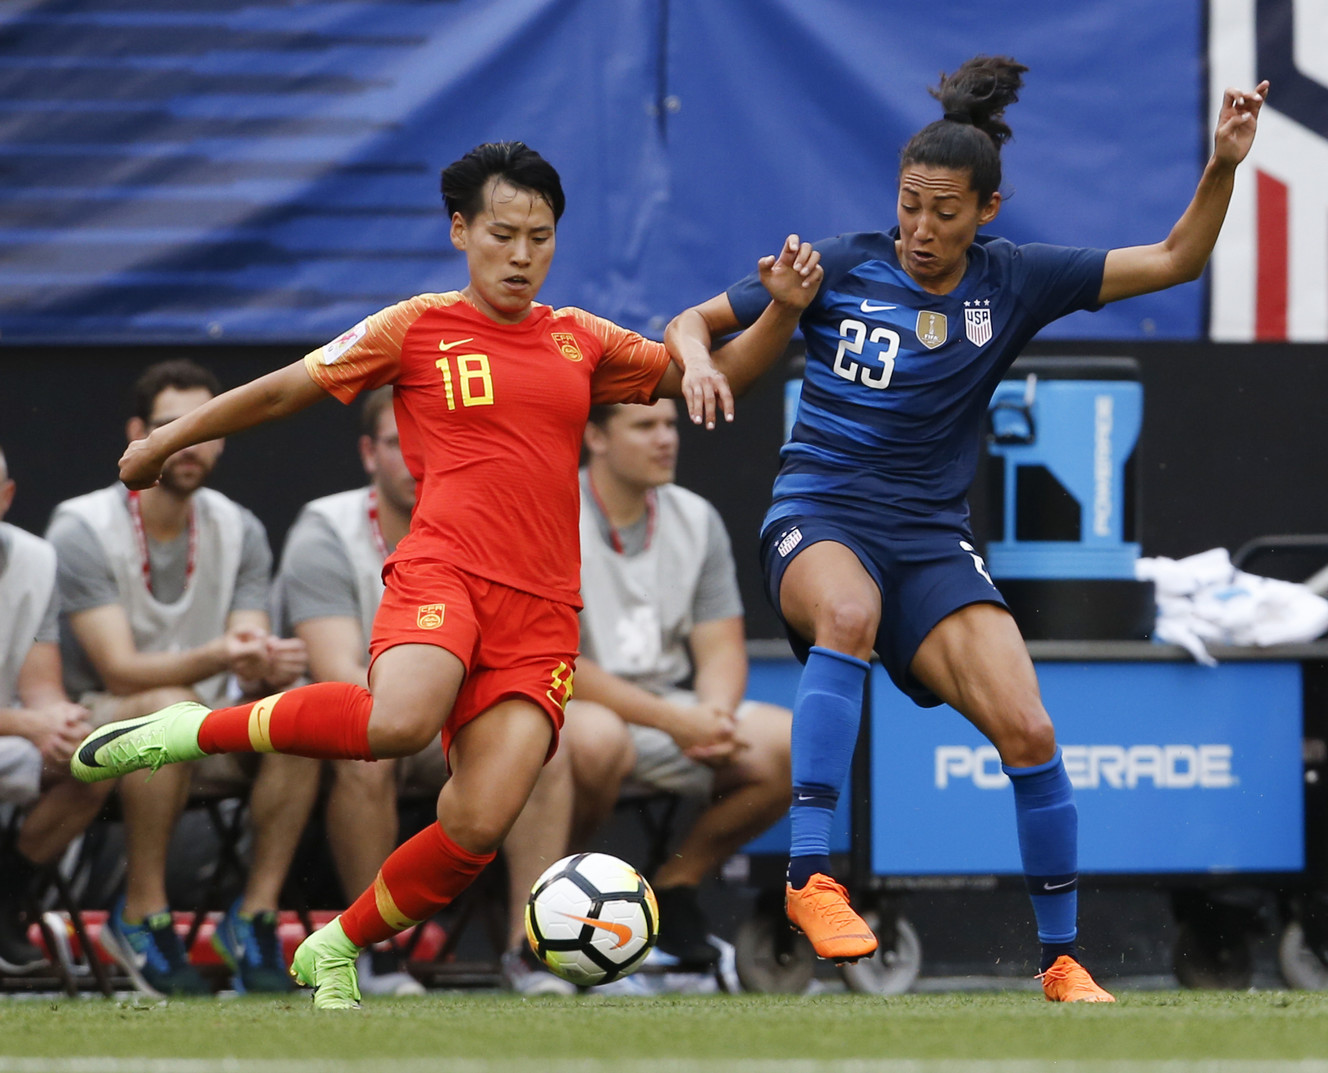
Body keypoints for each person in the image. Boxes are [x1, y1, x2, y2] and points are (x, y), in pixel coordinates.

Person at [71, 141, 822, 1010]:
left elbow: (716, 376)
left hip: (541, 613)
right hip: (445, 571)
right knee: (397, 721)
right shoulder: (415, 325)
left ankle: (335, 945)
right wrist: (167, 440)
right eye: (502, 233)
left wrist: (784, 312)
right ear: (460, 230)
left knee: (475, 823)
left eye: (540, 236)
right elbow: (284, 390)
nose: (521, 254)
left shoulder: (580, 338)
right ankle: (193, 728)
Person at [665, 57, 1270, 1003]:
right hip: (818, 514)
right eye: (910, 205)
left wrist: (1224, 164)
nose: (920, 228)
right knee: (850, 614)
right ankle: (808, 878)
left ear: (986, 211)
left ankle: (1062, 961)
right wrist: (701, 362)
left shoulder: (1016, 282)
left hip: (929, 542)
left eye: (944, 211)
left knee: (1029, 728)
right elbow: (690, 323)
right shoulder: (843, 263)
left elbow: (1175, 260)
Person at [274, 386, 625, 996]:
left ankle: (532, 948)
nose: (417, 459)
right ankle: (374, 954)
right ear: (367, 453)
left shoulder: (516, 523)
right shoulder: (327, 529)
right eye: (398, 444)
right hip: (394, 718)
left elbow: (548, 656)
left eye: (429, 443)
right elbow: (337, 671)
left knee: (551, 744)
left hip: (470, 718)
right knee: (370, 751)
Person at [48, 360, 310, 996]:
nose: (187, 443)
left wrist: (261, 662)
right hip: (95, 724)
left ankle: (255, 916)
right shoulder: (81, 525)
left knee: (300, 710)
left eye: (202, 428)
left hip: (202, 722)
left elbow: (244, 646)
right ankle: (141, 914)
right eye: (170, 427)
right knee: (166, 706)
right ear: (137, 432)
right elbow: (117, 668)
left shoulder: (238, 526)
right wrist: (228, 654)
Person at [564, 398, 792, 970]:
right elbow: (554, 661)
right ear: (595, 436)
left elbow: (719, 646)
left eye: (670, 424)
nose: (666, 438)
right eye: (645, 426)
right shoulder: (551, 511)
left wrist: (713, 717)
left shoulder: (694, 516)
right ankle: (562, 906)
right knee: (596, 740)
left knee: (792, 743)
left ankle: (674, 885)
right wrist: (676, 721)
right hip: (566, 710)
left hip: (669, 712)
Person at [0, 445, 114, 974]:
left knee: (96, 760)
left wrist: (60, 722)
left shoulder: (35, 559)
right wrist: (28, 723)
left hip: (8, 736)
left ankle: (5, 902)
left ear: (6, 498)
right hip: (9, 728)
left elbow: (41, 685)